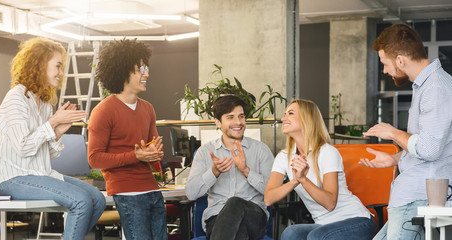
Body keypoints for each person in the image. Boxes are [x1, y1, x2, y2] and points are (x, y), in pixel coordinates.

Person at [0, 37, 106, 240]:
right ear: (40, 65)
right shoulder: (16, 98)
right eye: (58, 66)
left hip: (41, 174)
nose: (61, 73)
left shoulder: (44, 104)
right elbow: (23, 148)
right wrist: (52, 124)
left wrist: (58, 131)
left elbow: (48, 153)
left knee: (97, 198)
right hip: (14, 178)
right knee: (81, 201)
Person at [360, 23, 452, 240]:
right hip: (413, 197)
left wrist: (392, 133)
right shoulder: (428, 86)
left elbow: (429, 149)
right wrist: (394, 158)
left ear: (400, 60)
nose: (384, 70)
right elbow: (432, 144)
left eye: (385, 63)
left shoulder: (436, 88)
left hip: (416, 197)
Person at [87, 39, 166, 240]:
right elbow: (95, 159)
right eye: (140, 69)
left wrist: (155, 155)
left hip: (153, 190)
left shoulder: (148, 108)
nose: (146, 74)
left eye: (146, 68)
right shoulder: (103, 111)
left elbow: (152, 153)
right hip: (127, 193)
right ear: (123, 71)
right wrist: (136, 156)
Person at [264, 99, 376, 240]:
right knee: (290, 233)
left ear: (307, 119)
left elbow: (330, 204)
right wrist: (295, 181)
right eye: (284, 114)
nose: (283, 118)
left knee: (317, 236)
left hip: (356, 221)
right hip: (323, 225)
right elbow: (268, 198)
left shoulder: (327, 152)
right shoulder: (283, 157)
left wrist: (304, 180)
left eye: (290, 113)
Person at [185, 95, 274, 240]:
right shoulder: (205, 151)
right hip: (216, 218)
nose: (238, 122)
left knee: (235, 202)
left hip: (254, 217)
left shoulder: (261, 150)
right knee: (238, 233)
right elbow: (191, 193)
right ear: (218, 122)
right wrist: (214, 172)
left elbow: (272, 193)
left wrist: (246, 171)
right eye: (230, 117)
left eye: (241, 116)